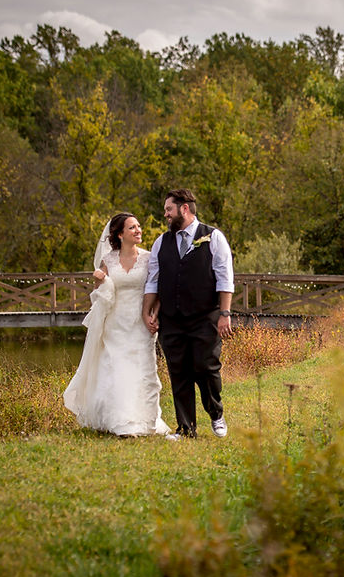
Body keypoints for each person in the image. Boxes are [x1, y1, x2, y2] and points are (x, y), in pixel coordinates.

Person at [63, 212, 170, 437]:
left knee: (143, 370)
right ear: (120, 234)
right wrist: (101, 281)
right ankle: (121, 421)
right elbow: (99, 295)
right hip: (115, 323)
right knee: (117, 369)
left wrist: (155, 314)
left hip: (141, 323)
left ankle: (147, 419)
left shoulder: (150, 258)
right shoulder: (108, 261)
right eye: (132, 228)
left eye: (139, 226)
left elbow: (157, 289)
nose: (138, 230)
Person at [143, 188, 234, 440]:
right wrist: (147, 311)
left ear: (184, 209)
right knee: (179, 371)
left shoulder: (213, 237)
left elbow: (225, 278)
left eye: (168, 210)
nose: (165, 215)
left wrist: (225, 312)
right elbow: (153, 281)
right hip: (172, 319)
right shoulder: (162, 242)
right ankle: (186, 428)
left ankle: (216, 413)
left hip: (205, 316)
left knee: (206, 367)